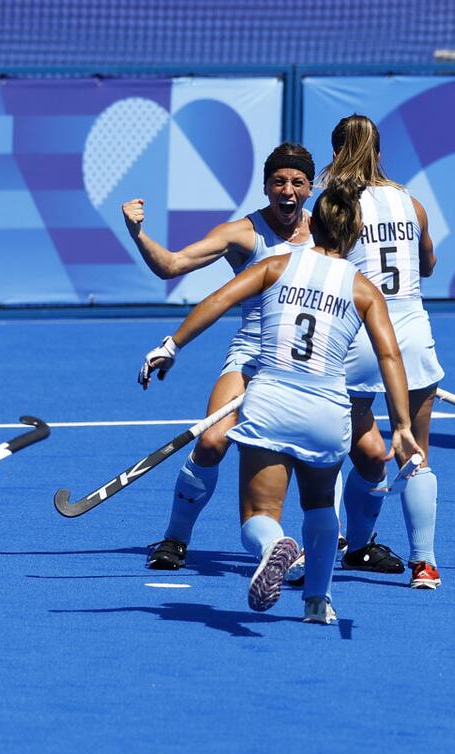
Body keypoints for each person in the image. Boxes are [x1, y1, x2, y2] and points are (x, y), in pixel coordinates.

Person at [137, 181, 420, 624]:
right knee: (321, 508)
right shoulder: (364, 289)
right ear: (352, 236)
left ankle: (274, 547)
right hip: (328, 410)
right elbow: (389, 355)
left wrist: (171, 345)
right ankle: (316, 602)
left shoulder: (275, 266)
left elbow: (218, 300)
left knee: (261, 514)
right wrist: (401, 426)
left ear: (315, 224)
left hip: (271, 400)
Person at [121, 143, 316, 571]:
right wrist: (138, 234)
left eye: (297, 182)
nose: (287, 190)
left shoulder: (328, 233)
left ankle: (342, 545)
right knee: (211, 441)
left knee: (325, 453)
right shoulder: (241, 234)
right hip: (252, 356)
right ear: (266, 186)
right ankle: (175, 538)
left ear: (311, 187)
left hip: (309, 362)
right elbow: (171, 266)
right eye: (279, 181)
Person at [319, 114, 447, 590]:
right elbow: (428, 264)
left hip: (358, 337)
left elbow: (323, 269)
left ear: (336, 155)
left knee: (331, 449)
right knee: (414, 451)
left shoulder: (334, 205)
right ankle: (424, 564)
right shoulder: (411, 204)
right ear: (379, 152)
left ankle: (323, 546)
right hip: (412, 336)